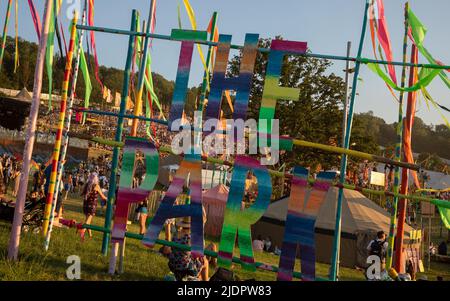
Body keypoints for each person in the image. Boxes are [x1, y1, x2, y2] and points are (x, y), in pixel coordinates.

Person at [79, 173, 107, 240]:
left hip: (85, 205)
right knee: (87, 222)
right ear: (96, 178)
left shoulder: (87, 184)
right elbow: (102, 196)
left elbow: (82, 193)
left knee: (88, 221)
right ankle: (82, 232)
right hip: (92, 206)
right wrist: (107, 199)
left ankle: (90, 236)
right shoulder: (96, 186)